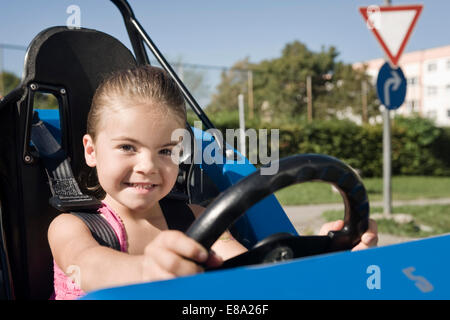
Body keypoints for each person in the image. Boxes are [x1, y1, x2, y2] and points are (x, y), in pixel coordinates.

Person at [48, 65, 378, 300]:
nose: (148, 165)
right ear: (91, 150)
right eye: (127, 147)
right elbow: (90, 266)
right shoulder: (72, 228)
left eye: (166, 150)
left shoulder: (196, 217)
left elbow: (248, 273)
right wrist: (151, 270)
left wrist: (319, 255)